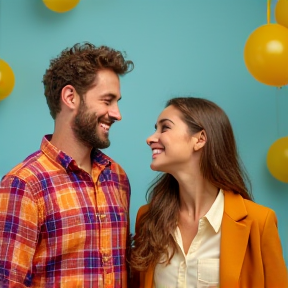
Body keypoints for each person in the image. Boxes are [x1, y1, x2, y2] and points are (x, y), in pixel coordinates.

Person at [0, 42, 134, 287]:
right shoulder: (24, 184)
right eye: (107, 100)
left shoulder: (117, 177)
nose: (117, 113)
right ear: (70, 97)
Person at [130, 97, 288, 288]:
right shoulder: (147, 219)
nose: (151, 138)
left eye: (165, 128)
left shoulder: (259, 222)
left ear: (200, 139)